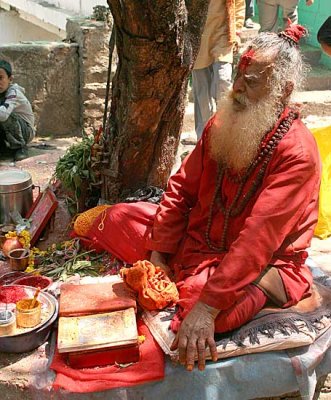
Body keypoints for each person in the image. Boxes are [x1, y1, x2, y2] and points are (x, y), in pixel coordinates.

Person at [82, 24, 321, 372]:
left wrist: (208, 308)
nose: (237, 87)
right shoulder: (221, 124)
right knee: (119, 217)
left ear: (282, 90)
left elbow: (258, 240)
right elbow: (180, 190)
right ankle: (182, 272)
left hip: (263, 265)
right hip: (199, 243)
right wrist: (158, 254)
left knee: (200, 305)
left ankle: (213, 293)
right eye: (239, 75)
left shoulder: (296, 152)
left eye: (251, 82)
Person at [192, 0, 245, 139]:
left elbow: (238, 3)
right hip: (198, 35)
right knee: (202, 91)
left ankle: (225, 132)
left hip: (223, 34)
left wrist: (237, 31)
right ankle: (203, 138)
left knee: (223, 80)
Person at [0, 60, 35, 161]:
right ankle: (3, 148)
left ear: (10, 79)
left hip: (25, 131)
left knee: (5, 115)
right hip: (9, 130)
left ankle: (20, 147)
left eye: (0, 78)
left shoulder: (14, 92)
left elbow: (3, 115)